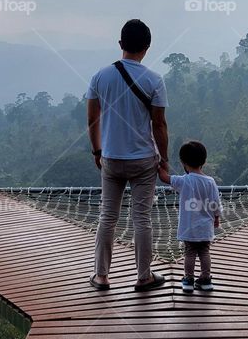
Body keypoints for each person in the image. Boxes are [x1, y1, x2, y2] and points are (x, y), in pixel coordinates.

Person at [86, 19, 170, 291]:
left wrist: (97, 151)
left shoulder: (100, 77)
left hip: (111, 158)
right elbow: (159, 125)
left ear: (120, 44)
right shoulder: (154, 80)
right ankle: (144, 277)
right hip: (143, 160)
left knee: (107, 217)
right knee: (141, 218)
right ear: (147, 47)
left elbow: (93, 120)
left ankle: (101, 276)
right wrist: (164, 159)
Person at [158, 141, 222, 293]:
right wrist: (217, 218)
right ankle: (206, 279)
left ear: (183, 162)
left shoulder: (184, 180)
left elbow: (165, 178)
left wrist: (160, 165)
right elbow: (215, 203)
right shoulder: (211, 182)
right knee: (204, 252)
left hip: (189, 227)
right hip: (205, 227)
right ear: (203, 161)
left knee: (190, 252)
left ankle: (188, 279)